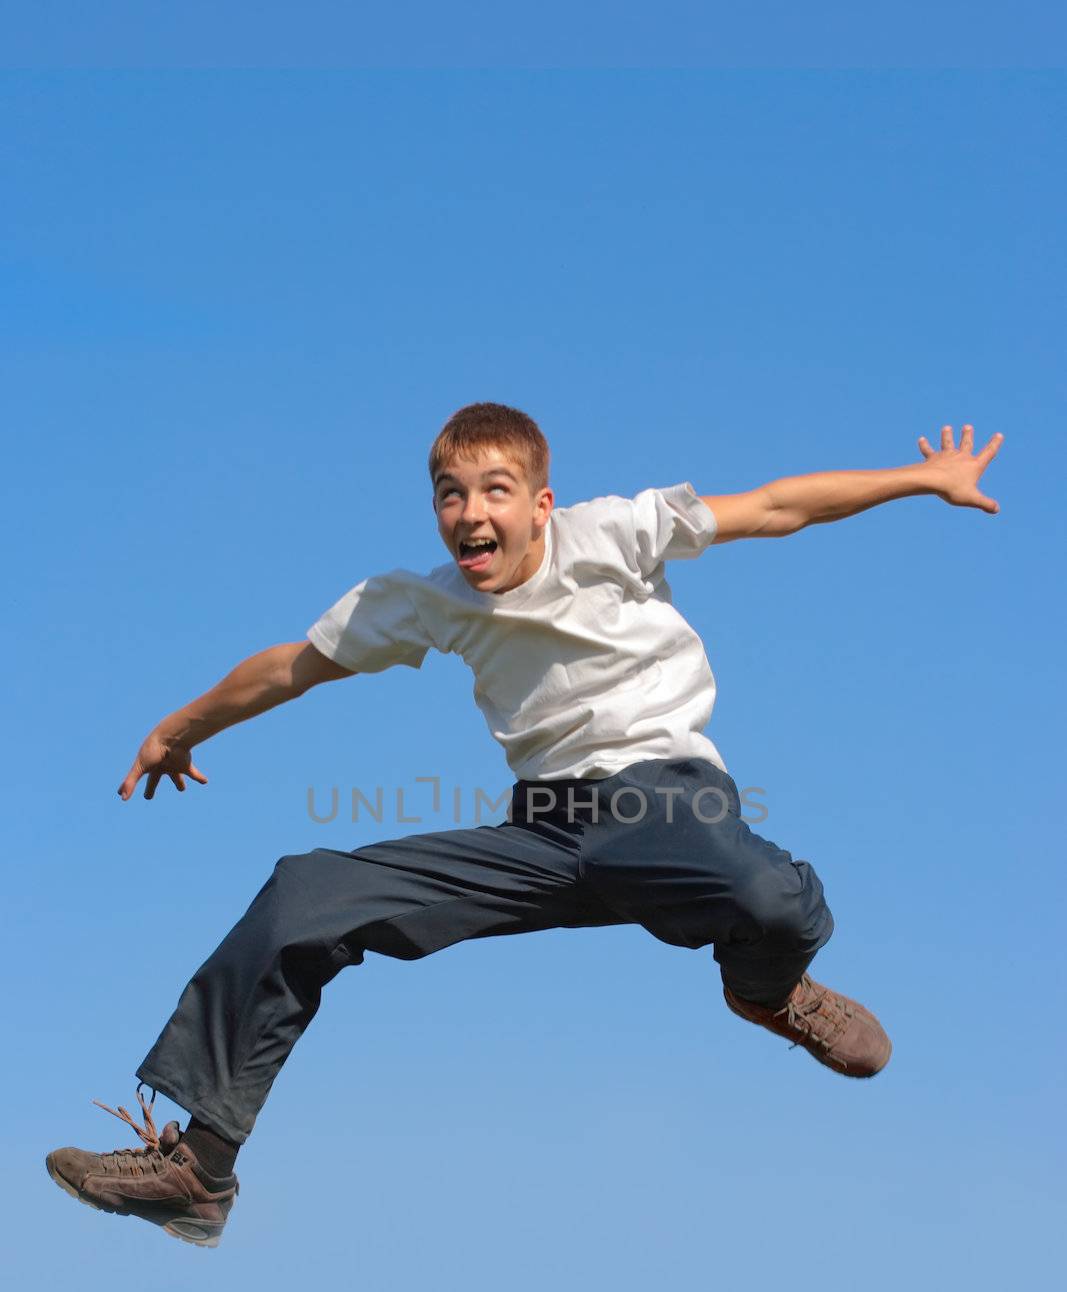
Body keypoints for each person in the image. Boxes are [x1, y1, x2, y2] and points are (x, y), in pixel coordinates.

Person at [46, 404, 1003, 1247]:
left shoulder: (615, 533)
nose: (471, 513)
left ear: (541, 503)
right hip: (542, 836)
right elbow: (292, 666)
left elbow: (776, 506)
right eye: (449, 493)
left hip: (663, 804)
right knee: (309, 892)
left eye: (495, 489)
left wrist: (920, 478)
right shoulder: (425, 601)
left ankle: (771, 988)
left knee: (765, 895)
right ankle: (198, 1172)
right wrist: (177, 728)